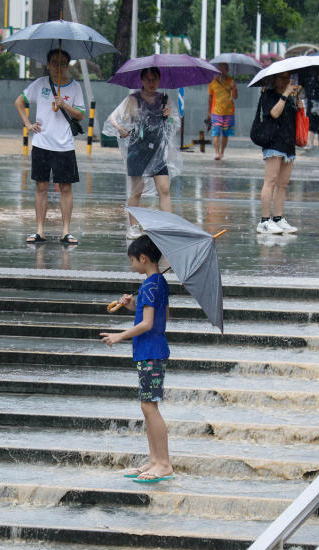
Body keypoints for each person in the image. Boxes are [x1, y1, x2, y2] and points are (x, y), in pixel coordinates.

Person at [99, 235, 173, 483]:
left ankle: (163, 463)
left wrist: (120, 336)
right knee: (147, 406)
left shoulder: (151, 285)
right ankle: (154, 460)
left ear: (143, 258)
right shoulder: (156, 283)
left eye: (133, 260)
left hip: (150, 350)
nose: (133, 265)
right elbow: (160, 317)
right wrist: (133, 306)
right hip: (150, 349)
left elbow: (148, 323)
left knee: (149, 406)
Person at [14, 48, 85, 245]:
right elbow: (19, 101)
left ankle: (66, 231)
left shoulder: (75, 87)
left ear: (67, 65)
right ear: (48, 64)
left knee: (66, 188)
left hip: (64, 146)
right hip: (41, 144)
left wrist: (65, 105)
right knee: (41, 187)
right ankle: (39, 230)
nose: (58, 67)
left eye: (63, 63)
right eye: (54, 62)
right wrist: (28, 124)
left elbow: (80, 115)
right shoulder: (40, 84)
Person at [104, 66, 180, 239]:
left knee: (164, 189)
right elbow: (113, 118)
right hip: (138, 150)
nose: (151, 82)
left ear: (160, 80)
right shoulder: (133, 99)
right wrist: (121, 128)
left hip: (158, 150)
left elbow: (175, 124)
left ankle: (167, 226)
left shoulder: (164, 99)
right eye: (148, 79)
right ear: (142, 80)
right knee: (137, 190)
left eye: (154, 79)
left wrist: (168, 116)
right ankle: (133, 227)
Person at [255, 72, 299, 235]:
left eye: (288, 78)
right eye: (282, 77)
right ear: (274, 79)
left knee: (283, 184)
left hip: (288, 143)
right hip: (273, 142)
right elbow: (274, 113)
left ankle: (278, 218)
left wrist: (297, 102)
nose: (286, 81)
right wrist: (286, 95)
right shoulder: (269, 95)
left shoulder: (291, 98)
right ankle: (264, 220)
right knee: (271, 181)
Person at [207, 62, 238, 161]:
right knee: (215, 132)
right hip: (216, 111)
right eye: (220, 69)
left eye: (224, 69)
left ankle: (222, 152)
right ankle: (216, 152)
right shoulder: (213, 82)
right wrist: (208, 112)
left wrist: (233, 88)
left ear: (227, 70)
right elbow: (210, 98)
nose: (222, 71)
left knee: (225, 133)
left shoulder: (231, 81)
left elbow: (235, 97)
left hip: (229, 112)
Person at [305, 70, 319, 147]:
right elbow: (308, 94)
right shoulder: (310, 82)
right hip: (312, 108)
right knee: (311, 127)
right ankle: (311, 144)